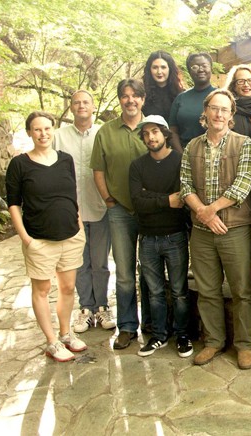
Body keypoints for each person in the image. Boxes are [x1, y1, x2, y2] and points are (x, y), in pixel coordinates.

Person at [180, 89, 251, 369]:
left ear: (231, 114)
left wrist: (210, 210)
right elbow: (185, 185)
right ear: (206, 111)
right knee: (208, 289)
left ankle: (244, 345)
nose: (219, 114)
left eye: (225, 110)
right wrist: (202, 213)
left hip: (234, 227)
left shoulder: (244, 143)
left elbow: (243, 184)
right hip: (201, 231)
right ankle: (213, 341)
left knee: (241, 290)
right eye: (214, 108)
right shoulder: (192, 146)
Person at [6, 111, 87, 362]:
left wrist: (79, 224)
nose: (43, 134)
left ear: (54, 130)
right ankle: (51, 342)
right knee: (42, 289)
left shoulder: (65, 159)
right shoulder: (19, 164)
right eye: (37, 129)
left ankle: (65, 334)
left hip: (70, 236)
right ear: (30, 132)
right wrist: (26, 238)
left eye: (47, 128)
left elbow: (72, 194)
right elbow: (13, 204)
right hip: (39, 239)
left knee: (68, 287)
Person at [90, 78, 149, 350]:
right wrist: (108, 200)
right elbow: (98, 170)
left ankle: (152, 323)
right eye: (124, 96)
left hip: (150, 212)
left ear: (143, 99)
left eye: (135, 95)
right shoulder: (106, 131)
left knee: (150, 271)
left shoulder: (153, 128)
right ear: (119, 100)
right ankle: (127, 326)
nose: (130, 100)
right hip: (120, 212)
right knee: (124, 272)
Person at [129, 115, 192, 358]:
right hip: (147, 237)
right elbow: (137, 201)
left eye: (154, 131)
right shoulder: (137, 166)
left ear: (165, 133)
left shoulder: (179, 161)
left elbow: (183, 197)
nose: (150, 137)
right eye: (145, 134)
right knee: (153, 291)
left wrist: (150, 197)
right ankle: (159, 336)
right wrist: (166, 199)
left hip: (174, 235)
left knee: (179, 290)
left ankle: (183, 335)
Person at [54, 90, 114, 333]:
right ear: (71, 108)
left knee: (100, 262)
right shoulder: (58, 136)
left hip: (100, 206)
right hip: (71, 211)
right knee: (79, 263)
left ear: (93, 107)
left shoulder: (103, 133)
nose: (81, 106)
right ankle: (86, 309)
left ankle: (102, 307)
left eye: (86, 102)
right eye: (76, 102)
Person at [169, 53, 216, 151]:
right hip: (185, 153)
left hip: (214, 153)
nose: (200, 69)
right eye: (195, 67)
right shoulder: (181, 98)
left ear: (211, 68)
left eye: (204, 66)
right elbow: (173, 130)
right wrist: (181, 155)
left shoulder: (220, 96)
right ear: (189, 71)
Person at [225, 64, 251, 140]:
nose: (246, 85)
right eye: (241, 81)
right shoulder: (228, 111)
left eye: (250, 80)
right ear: (233, 86)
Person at [142, 50, 185, 120]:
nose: (159, 72)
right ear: (149, 70)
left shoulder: (181, 94)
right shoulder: (142, 94)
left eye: (163, 67)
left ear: (170, 69)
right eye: (155, 67)